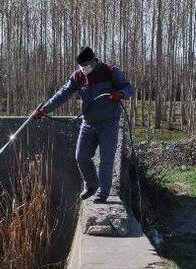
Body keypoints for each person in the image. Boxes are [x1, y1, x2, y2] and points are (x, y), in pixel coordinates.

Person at [34, 47, 134, 203]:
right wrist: (44, 109)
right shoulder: (78, 77)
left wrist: (120, 94)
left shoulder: (111, 71)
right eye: (81, 65)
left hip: (109, 123)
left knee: (106, 159)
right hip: (88, 123)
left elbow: (128, 88)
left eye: (86, 64)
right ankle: (92, 185)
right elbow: (62, 94)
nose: (83, 68)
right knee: (81, 156)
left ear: (93, 60)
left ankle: (103, 193)